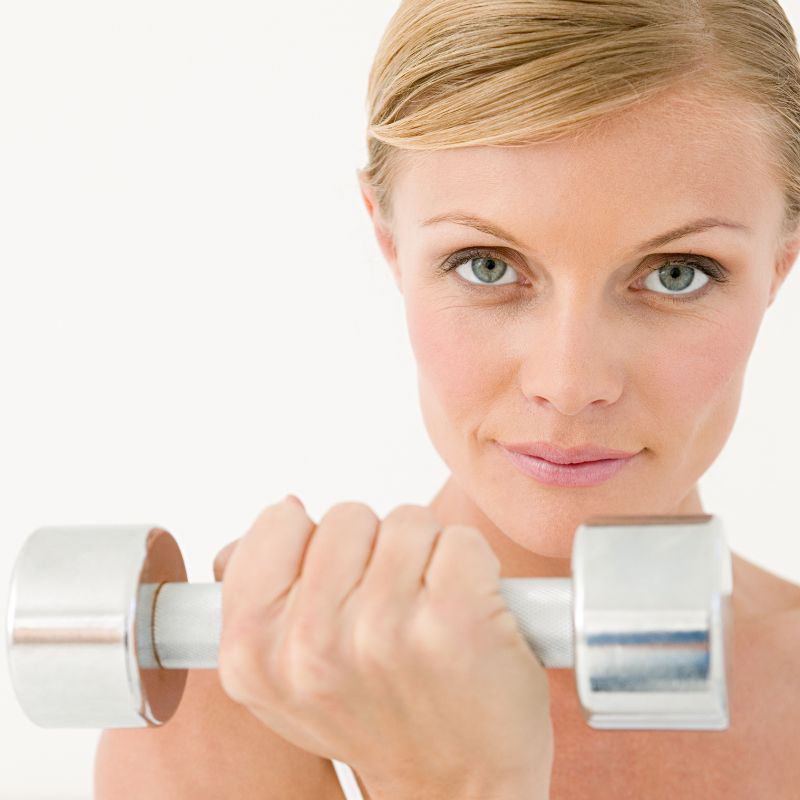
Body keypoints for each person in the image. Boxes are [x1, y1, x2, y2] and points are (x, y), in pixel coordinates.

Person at [95, 0, 800, 797]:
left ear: (780, 263)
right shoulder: (237, 698)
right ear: (390, 244)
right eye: (487, 265)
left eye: (678, 272)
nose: (567, 385)